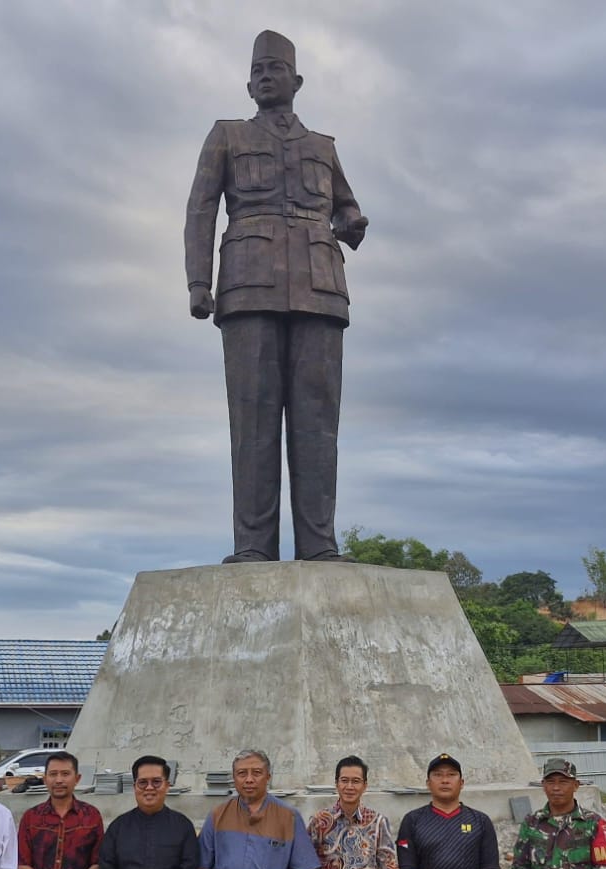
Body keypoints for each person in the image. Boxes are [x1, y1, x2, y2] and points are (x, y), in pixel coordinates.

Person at [184, 30, 368, 563]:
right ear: (248, 84)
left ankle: (319, 546)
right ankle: (253, 548)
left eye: (276, 69)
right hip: (246, 285)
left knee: (317, 423)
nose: (266, 77)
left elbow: (345, 206)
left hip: (320, 288)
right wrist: (199, 282)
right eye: (258, 70)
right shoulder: (227, 136)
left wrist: (351, 220)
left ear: (297, 81)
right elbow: (201, 209)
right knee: (254, 420)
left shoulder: (323, 148)